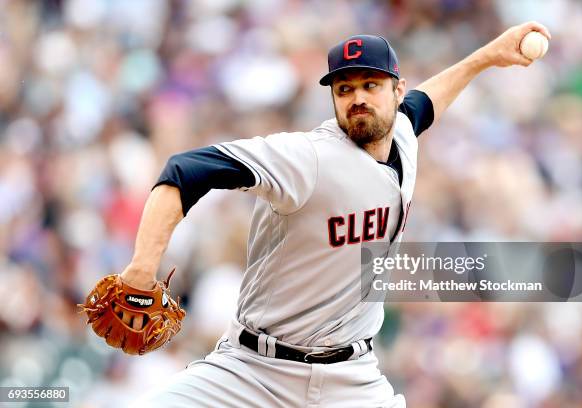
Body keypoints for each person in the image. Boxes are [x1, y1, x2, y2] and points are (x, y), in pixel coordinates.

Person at [122, 22, 551, 407]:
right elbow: (183, 171)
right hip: (253, 372)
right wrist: (142, 271)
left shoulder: (402, 134)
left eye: (370, 85)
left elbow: (428, 102)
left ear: (396, 91)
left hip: (352, 380)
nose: (358, 99)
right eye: (344, 90)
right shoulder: (307, 158)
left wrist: (489, 56)